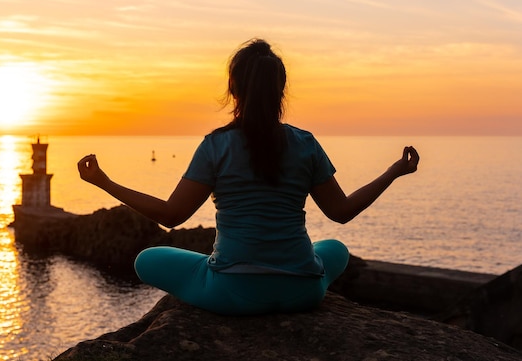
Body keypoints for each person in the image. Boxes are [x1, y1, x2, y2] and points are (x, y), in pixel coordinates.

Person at [77, 38, 419, 316]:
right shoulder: (305, 144)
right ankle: (292, 272)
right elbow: (341, 212)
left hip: (233, 293)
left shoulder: (217, 145)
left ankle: (234, 275)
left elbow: (171, 216)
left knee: (146, 259)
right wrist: (393, 172)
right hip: (304, 292)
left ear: (233, 88)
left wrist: (104, 182)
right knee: (335, 250)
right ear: (281, 90)